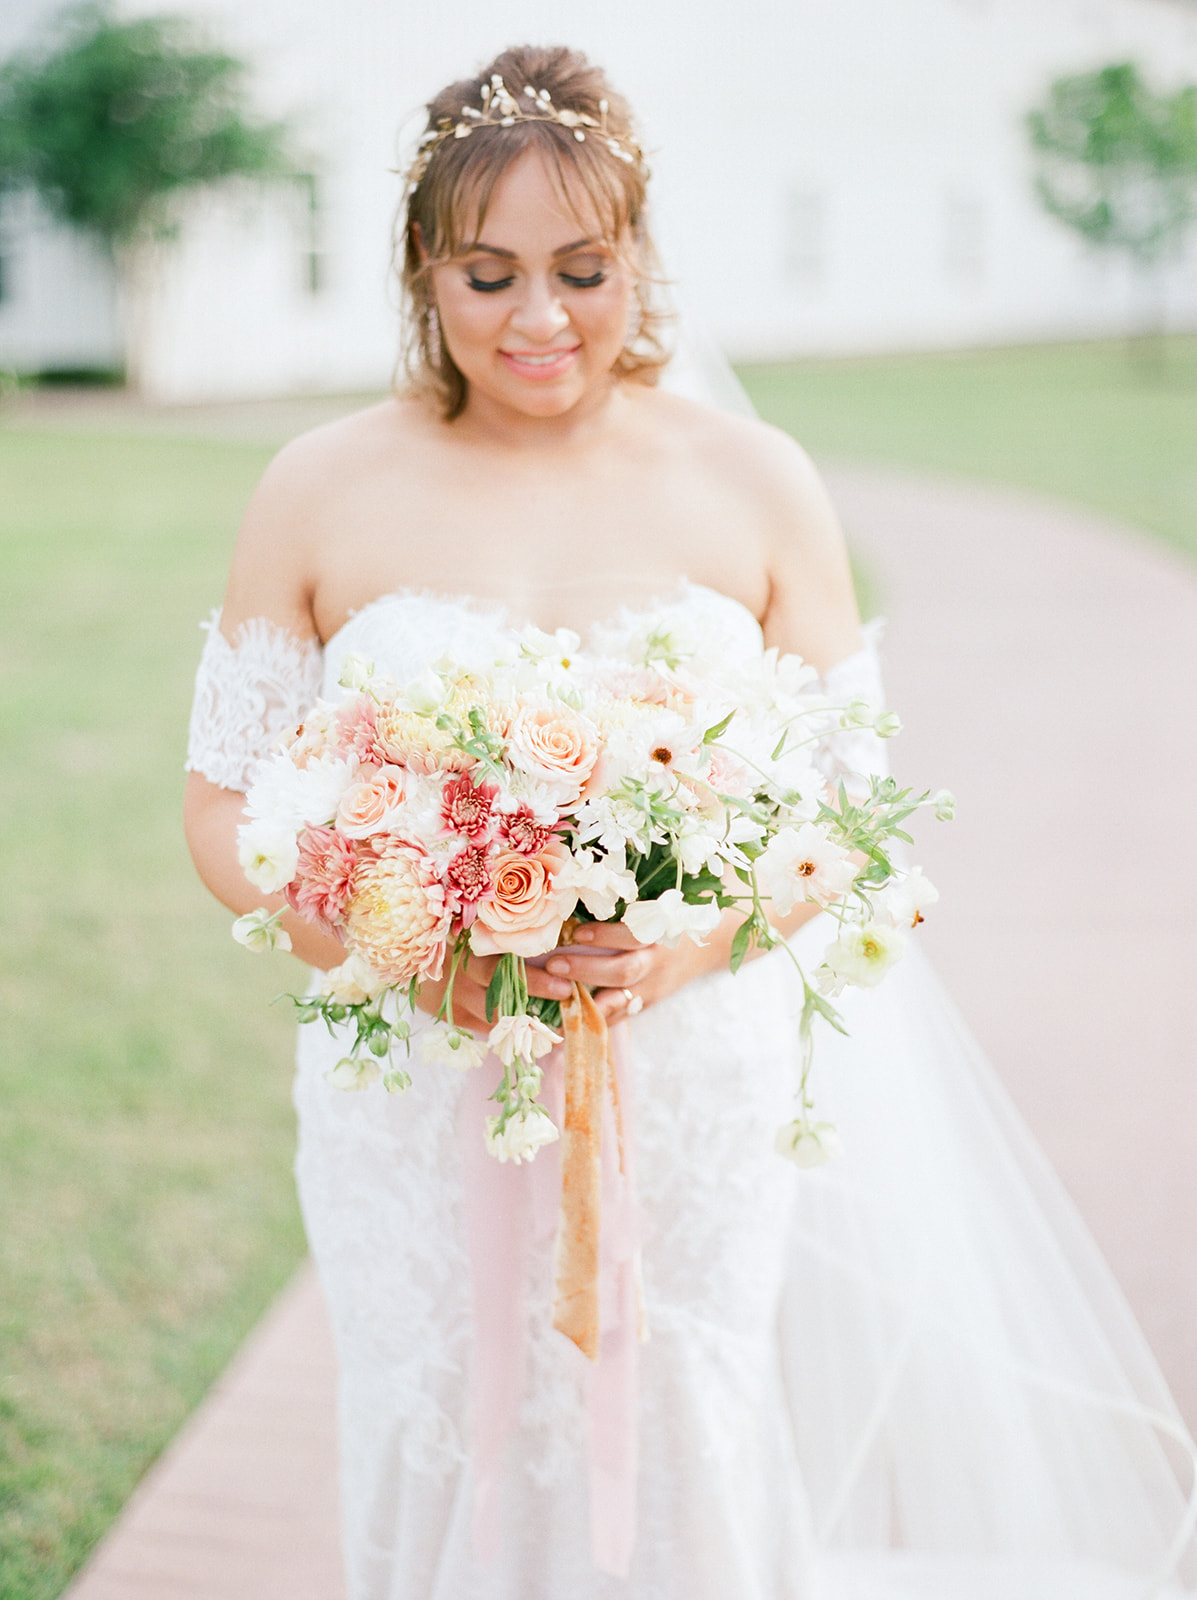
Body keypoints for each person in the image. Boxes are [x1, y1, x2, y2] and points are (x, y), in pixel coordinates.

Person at [184, 43, 1197, 1600]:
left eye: (582, 270)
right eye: (490, 273)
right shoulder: (319, 486)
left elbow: (847, 804)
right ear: (420, 271)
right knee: (430, 1415)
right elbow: (224, 801)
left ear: (638, 256)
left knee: (687, 1418)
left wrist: (691, 948)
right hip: (414, 1081)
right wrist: (391, 947)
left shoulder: (754, 477)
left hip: (688, 1075)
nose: (540, 319)